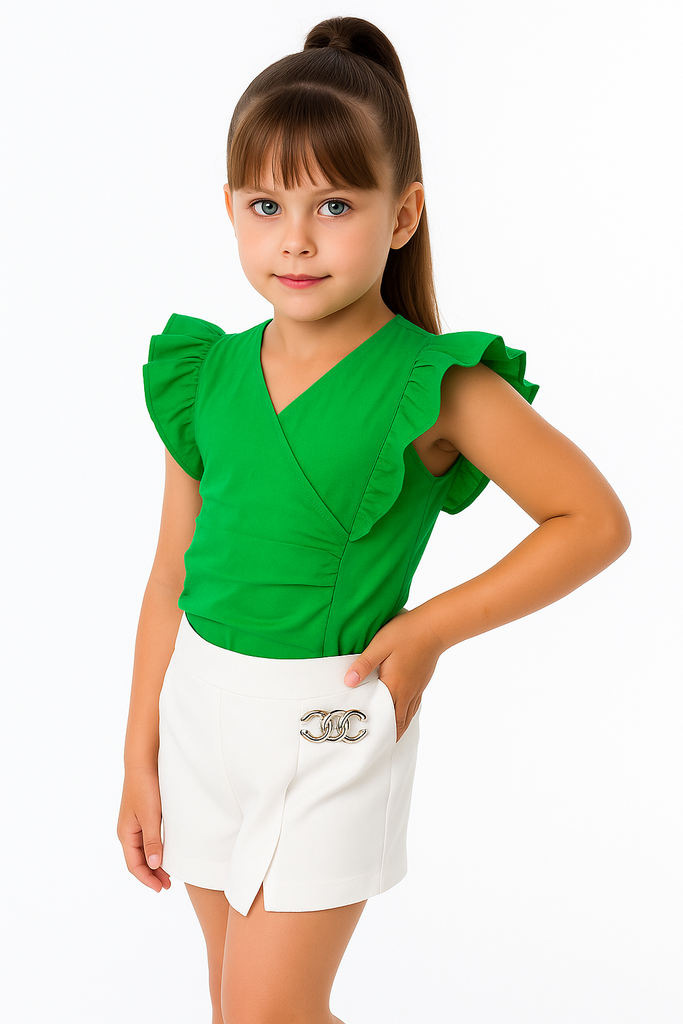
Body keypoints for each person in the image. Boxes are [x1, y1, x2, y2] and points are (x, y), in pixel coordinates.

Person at [117, 15, 631, 1024]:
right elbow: (170, 571)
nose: (295, 238)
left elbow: (590, 520)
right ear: (230, 208)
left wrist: (428, 629)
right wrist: (138, 753)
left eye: (334, 204)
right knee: (234, 1008)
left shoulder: (435, 384)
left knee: (267, 1012)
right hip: (199, 719)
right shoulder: (203, 374)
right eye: (267, 204)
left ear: (402, 216)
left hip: (331, 723)